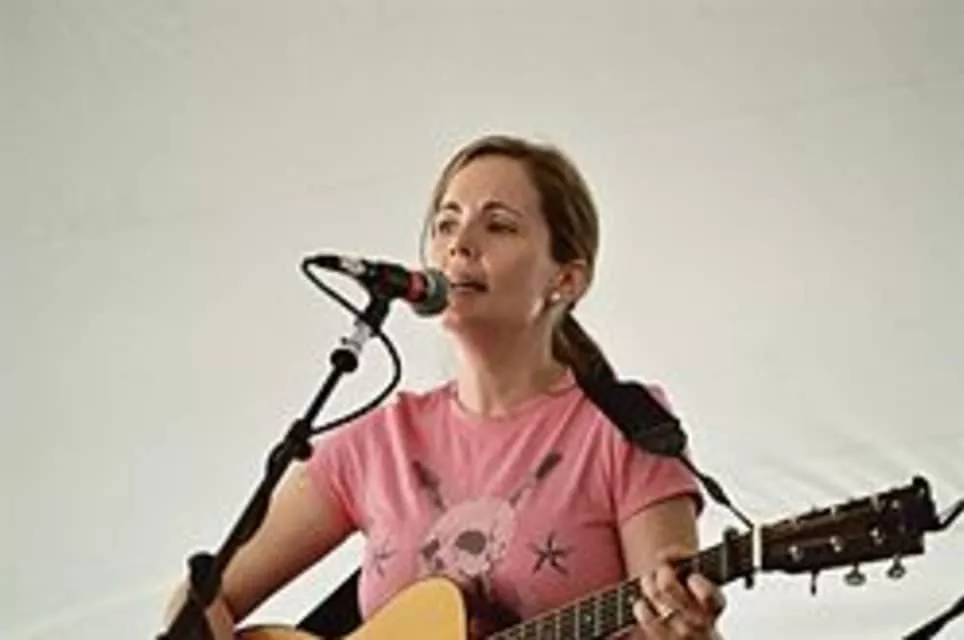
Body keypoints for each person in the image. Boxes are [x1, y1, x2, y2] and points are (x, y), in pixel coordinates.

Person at [165, 134, 726, 639]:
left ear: (566, 279)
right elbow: (203, 599)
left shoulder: (626, 428)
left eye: (498, 225)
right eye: (446, 224)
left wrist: (689, 636)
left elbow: (673, 614)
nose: (460, 245)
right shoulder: (378, 443)